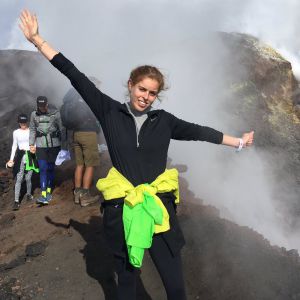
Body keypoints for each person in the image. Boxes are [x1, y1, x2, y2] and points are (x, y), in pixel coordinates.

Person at [19, 10, 254, 300]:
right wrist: (37, 40)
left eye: (152, 93)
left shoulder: (164, 121)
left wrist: (239, 143)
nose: (145, 96)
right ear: (130, 85)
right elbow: (74, 74)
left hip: (158, 206)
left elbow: (201, 132)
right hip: (123, 208)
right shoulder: (109, 111)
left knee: (175, 285)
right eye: (142, 88)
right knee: (127, 281)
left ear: (157, 96)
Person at [60, 86, 101, 207]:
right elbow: (95, 116)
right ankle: (85, 196)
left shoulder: (72, 102)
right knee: (90, 165)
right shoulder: (84, 103)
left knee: (79, 164)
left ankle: (77, 194)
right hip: (88, 134)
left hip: (76, 134)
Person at [29, 95, 63, 205]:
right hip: (40, 145)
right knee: (43, 168)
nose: (42, 108)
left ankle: (49, 191)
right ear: (37, 105)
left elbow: (61, 128)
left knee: (50, 168)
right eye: (40, 106)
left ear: (47, 104)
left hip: (54, 145)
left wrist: (64, 144)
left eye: (43, 106)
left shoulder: (55, 113)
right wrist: (31, 144)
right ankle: (43, 195)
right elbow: (33, 129)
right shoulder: (34, 114)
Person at [7, 114, 34, 211]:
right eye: (21, 122)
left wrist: (34, 149)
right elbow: (14, 146)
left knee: (28, 178)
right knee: (19, 178)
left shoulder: (31, 131)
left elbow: (33, 143)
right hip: (20, 156)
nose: (23, 124)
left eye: (24, 122)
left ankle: (28, 194)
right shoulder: (16, 132)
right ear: (19, 123)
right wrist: (11, 159)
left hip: (30, 155)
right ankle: (16, 201)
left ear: (26, 122)